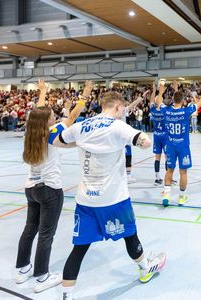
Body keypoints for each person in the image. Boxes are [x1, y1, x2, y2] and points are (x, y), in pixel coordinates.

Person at [51, 91, 166, 300]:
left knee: (78, 250)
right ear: (117, 107)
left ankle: (66, 296)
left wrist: (80, 142)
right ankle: (145, 268)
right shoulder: (117, 126)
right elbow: (145, 142)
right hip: (114, 200)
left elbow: (57, 141)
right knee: (130, 236)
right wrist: (137, 141)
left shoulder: (81, 126)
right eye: (122, 108)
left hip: (85, 201)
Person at [14, 80, 90, 293]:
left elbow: (37, 113)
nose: (55, 116)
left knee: (30, 229)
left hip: (31, 188)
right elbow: (73, 116)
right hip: (49, 190)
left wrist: (44, 92)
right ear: (47, 121)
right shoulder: (51, 133)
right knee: (46, 233)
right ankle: (41, 277)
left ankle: (22, 269)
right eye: (52, 116)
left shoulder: (30, 133)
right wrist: (84, 95)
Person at [157, 83, 201, 206]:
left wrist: (160, 92)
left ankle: (166, 196)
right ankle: (181, 198)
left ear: (173, 99)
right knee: (183, 173)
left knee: (169, 171)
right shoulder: (186, 111)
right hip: (183, 146)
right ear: (183, 100)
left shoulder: (167, 111)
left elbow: (159, 102)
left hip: (170, 146)